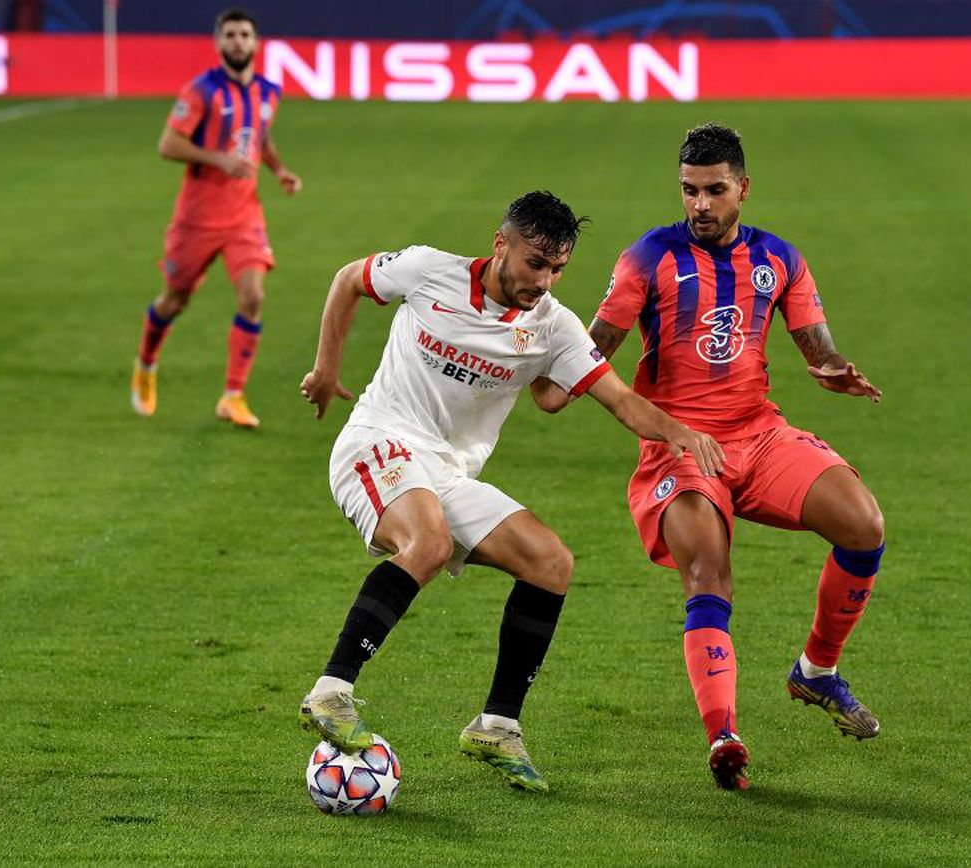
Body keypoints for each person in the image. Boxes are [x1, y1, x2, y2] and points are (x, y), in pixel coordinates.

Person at [297, 191, 724, 793]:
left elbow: (620, 400)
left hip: (447, 473)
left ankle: (497, 725)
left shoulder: (553, 327)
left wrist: (680, 433)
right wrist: (327, 370)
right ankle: (331, 690)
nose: (543, 281)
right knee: (428, 543)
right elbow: (349, 280)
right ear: (501, 245)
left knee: (550, 562)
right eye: (535, 263)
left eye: (557, 269)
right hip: (378, 441)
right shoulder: (428, 270)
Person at [539, 124, 885, 790]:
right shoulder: (648, 258)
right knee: (707, 574)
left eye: (715, 190)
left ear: (743, 189)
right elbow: (593, 347)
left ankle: (816, 672)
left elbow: (816, 348)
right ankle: (724, 734)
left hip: (759, 433)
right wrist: (548, 378)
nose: (700, 204)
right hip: (679, 444)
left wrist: (835, 369)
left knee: (863, 524)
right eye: (689, 190)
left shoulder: (780, 258)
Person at [129, 7, 302, 429]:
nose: (238, 41)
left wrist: (279, 169)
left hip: (244, 215)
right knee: (175, 300)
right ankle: (146, 362)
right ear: (219, 42)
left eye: (244, 34)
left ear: (256, 42)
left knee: (253, 296)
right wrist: (218, 159)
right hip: (197, 218)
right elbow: (168, 144)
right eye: (230, 35)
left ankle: (233, 395)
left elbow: (260, 136)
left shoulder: (269, 92)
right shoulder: (201, 91)